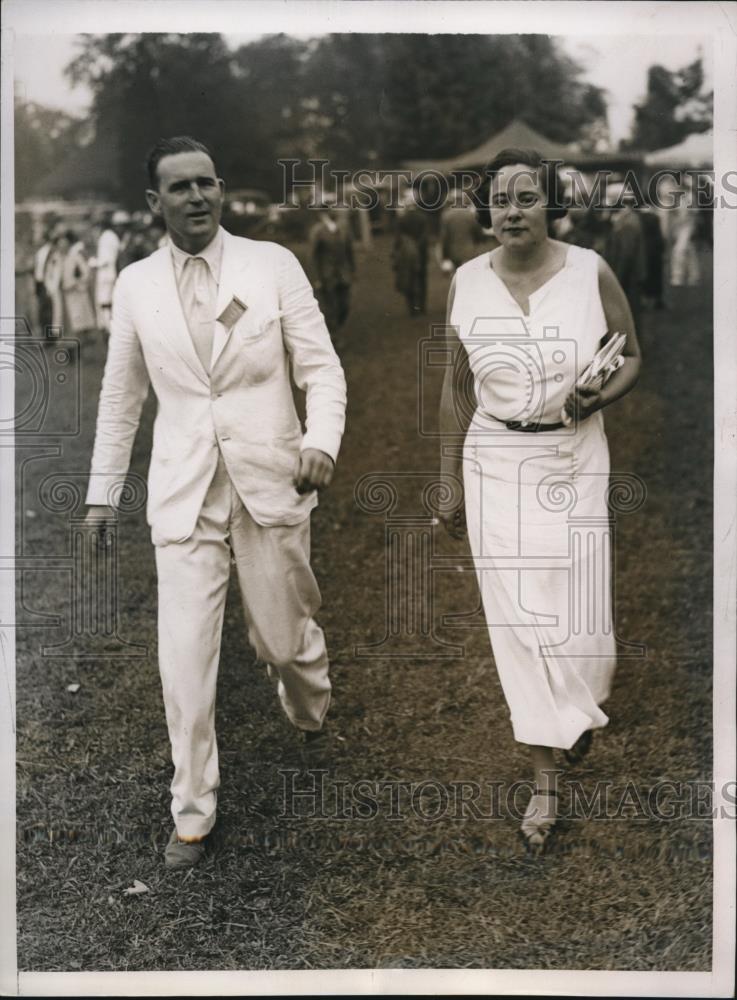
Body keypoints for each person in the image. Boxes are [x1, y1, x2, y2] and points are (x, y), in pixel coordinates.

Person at [84, 136, 347, 869]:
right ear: (153, 202)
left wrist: (320, 439)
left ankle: (304, 683)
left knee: (280, 642)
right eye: (179, 188)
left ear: (221, 189)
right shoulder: (136, 284)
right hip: (184, 491)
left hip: (271, 479)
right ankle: (192, 809)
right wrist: (100, 499)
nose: (195, 198)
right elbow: (120, 398)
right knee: (185, 658)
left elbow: (322, 368)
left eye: (205, 184)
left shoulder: (272, 266)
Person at [437, 148, 641, 854]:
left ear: (551, 206)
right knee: (517, 621)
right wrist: (443, 479)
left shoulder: (589, 270)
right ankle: (543, 776)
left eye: (528, 197)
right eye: (501, 199)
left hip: (574, 454)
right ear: (484, 210)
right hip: (493, 460)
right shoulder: (464, 281)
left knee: (578, 616)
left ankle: (576, 708)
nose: (513, 210)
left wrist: (600, 393)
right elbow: (454, 389)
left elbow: (630, 353)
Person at [309, 197, 355, 338]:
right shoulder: (317, 231)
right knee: (331, 307)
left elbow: (349, 251)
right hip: (327, 275)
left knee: (345, 305)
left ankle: (337, 328)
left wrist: (353, 270)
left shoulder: (343, 228)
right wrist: (316, 278)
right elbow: (313, 257)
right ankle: (334, 336)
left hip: (343, 273)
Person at [392, 187, 429, 314]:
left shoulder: (402, 219)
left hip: (406, 253)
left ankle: (412, 307)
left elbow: (398, 239)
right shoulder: (423, 217)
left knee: (409, 279)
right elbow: (425, 236)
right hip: (421, 253)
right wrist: (418, 247)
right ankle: (422, 306)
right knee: (422, 279)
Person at [93, 210, 130, 332]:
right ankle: (109, 329)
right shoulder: (111, 237)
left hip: (107, 275)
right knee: (107, 303)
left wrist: (92, 262)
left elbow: (106, 260)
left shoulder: (108, 237)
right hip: (109, 275)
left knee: (106, 303)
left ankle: (110, 330)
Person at [438, 199, 485, 272]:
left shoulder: (447, 215)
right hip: (469, 250)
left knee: (456, 277)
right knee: (468, 276)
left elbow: (445, 237)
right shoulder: (471, 215)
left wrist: (445, 256)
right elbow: (478, 234)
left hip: (453, 252)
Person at [33, 218, 57, 336]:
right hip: (40, 284)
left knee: (48, 311)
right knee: (42, 311)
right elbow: (37, 268)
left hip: (47, 283)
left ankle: (49, 337)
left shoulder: (51, 251)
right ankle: (45, 335)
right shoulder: (40, 251)